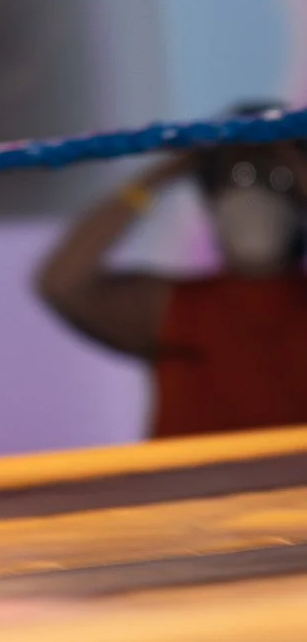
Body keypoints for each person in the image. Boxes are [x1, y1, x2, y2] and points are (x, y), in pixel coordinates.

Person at [33, 124, 307, 437]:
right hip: (190, 485)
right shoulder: (173, 307)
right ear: (210, 200)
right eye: (232, 179)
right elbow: (62, 283)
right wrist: (164, 173)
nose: (251, 194)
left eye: (274, 178)